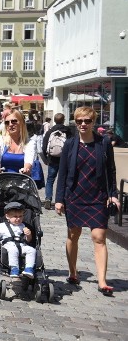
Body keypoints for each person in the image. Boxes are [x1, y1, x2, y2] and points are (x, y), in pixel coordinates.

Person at [55, 106, 119, 296]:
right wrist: (59, 199)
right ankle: (73, 272)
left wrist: (113, 194)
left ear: (93, 122)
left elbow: (111, 170)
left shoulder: (103, 143)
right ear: (75, 122)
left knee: (99, 237)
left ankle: (102, 281)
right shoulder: (70, 144)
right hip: (74, 196)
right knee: (73, 235)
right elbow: (63, 172)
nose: (83, 124)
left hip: (98, 196)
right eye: (79, 121)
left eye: (87, 121)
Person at [0, 108, 37, 187]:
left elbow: (29, 160)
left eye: (14, 121)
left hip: (21, 187)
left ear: (21, 123)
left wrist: (26, 169)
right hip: (0, 185)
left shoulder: (30, 143)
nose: (10, 124)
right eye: (7, 122)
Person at [41, 112, 72, 210]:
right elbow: (73, 145)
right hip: (65, 159)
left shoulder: (50, 131)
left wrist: (46, 158)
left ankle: (48, 198)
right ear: (63, 120)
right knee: (65, 180)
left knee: (50, 179)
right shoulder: (68, 131)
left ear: (54, 120)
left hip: (53, 159)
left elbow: (44, 146)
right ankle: (64, 200)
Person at [0, 202, 37, 278]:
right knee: (13, 250)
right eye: (15, 216)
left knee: (32, 250)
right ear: (7, 216)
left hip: (22, 245)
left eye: (20, 216)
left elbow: (28, 240)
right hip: (8, 245)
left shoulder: (24, 226)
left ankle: (28, 268)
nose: (18, 219)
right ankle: (14, 268)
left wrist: (29, 235)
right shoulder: (2, 226)